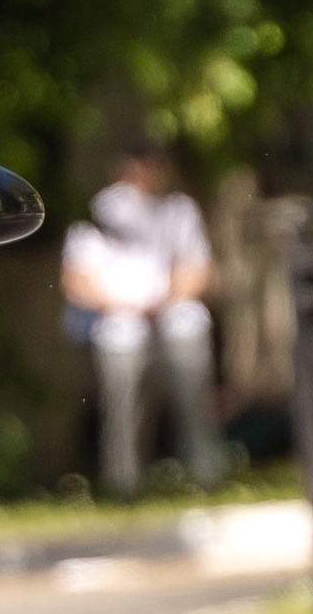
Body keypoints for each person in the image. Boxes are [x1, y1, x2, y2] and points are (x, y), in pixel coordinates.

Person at [62, 146, 223, 497]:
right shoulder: (97, 212)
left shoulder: (179, 210)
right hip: (120, 326)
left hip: (174, 319)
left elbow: (198, 268)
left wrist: (163, 302)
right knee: (122, 410)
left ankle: (206, 475)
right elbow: (76, 279)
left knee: (194, 398)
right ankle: (125, 484)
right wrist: (125, 305)